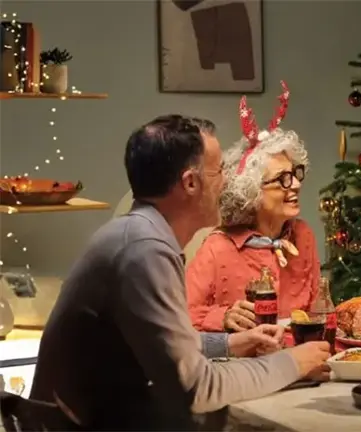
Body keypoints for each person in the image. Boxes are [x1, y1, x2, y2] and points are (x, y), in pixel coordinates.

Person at [30, 114, 331, 430]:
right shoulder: (144, 249)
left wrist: (230, 344)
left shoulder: (136, 234)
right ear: (190, 182)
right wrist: (291, 363)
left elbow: (159, 344)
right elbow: (197, 388)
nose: (228, 182)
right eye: (219, 172)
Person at [186, 82, 321, 332]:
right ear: (252, 192)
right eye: (282, 179)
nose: (295, 185)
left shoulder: (303, 236)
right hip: (242, 365)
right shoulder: (218, 248)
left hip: (299, 360)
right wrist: (223, 317)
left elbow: (315, 312)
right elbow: (182, 315)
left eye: (295, 173)